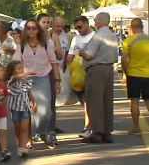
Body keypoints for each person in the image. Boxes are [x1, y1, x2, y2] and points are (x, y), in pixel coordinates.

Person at [12, 19, 61, 149]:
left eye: (34, 28)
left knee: (46, 111)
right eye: (29, 28)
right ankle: (28, 139)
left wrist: (57, 81)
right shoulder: (21, 46)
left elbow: (54, 63)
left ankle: (42, 132)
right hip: (26, 80)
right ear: (25, 30)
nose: (31, 30)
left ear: (38, 30)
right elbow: (15, 65)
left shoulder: (46, 45)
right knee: (29, 112)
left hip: (43, 78)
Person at [79, 12, 118, 143]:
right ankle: (107, 131)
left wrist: (81, 52)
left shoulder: (98, 36)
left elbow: (89, 55)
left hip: (96, 69)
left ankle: (96, 131)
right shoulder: (113, 36)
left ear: (97, 21)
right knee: (107, 101)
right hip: (109, 68)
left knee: (95, 100)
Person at [66, 16, 95, 139]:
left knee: (89, 102)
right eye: (77, 28)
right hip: (78, 76)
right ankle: (89, 126)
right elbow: (70, 56)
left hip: (91, 72)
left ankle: (89, 127)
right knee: (85, 103)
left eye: (80, 27)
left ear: (87, 24)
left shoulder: (95, 36)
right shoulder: (76, 39)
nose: (78, 30)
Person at [37, 14, 64, 143]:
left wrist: (57, 49)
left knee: (51, 103)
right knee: (36, 102)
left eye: (48, 22)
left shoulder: (53, 36)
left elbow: (59, 56)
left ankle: (51, 131)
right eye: (44, 22)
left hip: (50, 72)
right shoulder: (32, 36)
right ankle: (37, 131)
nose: (46, 24)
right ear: (38, 23)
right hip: (36, 73)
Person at [121, 18, 149, 135]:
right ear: (142, 26)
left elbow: (123, 60)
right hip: (148, 75)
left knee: (134, 101)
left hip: (133, 75)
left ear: (131, 28)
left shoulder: (128, 41)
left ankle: (136, 127)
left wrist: (126, 72)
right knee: (148, 101)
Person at [6, 60, 36, 157]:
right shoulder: (11, 80)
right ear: (13, 71)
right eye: (19, 69)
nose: (22, 70)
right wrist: (29, 73)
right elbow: (16, 77)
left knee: (25, 128)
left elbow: (29, 94)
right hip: (15, 109)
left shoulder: (26, 81)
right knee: (17, 128)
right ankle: (19, 145)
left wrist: (33, 102)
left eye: (22, 68)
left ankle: (23, 148)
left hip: (25, 108)